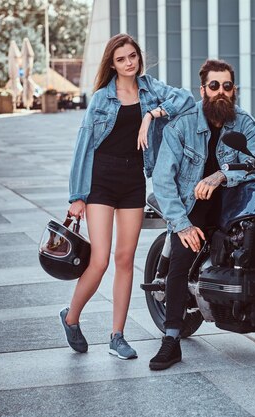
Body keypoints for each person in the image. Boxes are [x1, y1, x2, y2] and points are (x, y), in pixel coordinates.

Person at [61, 34, 194, 359]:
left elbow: (188, 99)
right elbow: (84, 146)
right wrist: (77, 196)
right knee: (101, 260)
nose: (129, 63)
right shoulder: (101, 99)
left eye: (132, 56)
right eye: (121, 59)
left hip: (134, 182)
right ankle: (70, 317)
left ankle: (116, 336)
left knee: (125, 260)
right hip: (101, 183)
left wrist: (152, 115)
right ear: (112, 63)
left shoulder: (152, 90)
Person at [149, 59, 255, 370]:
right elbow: (162, 179)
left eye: (227, 86)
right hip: (192, 206)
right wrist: (182, 226)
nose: (221, 92)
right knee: (181, 260)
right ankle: (171, 339)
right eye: (214, 86)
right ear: (203, 90)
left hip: (231, 204)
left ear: (234, 90)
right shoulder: (183, 124)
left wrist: (223, 175)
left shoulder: (244, 123)